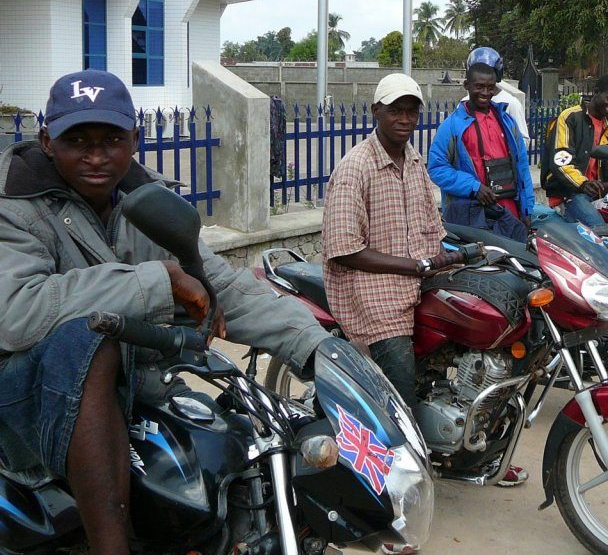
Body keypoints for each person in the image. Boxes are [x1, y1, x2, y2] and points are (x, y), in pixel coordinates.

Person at [0, 70, 329, 554]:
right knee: (91, 341)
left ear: (135, 138)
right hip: (27, 405)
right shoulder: (16, 206)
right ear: (47, 140)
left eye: (111, 139)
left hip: (137, 391)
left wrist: (319, 348)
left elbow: (221, 287)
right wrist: (160, 281)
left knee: (234, 446)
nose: (96, 155)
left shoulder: (149, 202)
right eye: (78, 140)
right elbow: (16, 310)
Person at [322, 73, 530, 499]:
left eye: (411, 110)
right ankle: (395, 494)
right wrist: (413, 264)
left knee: (489, 337)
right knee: (399, 397)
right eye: (394, 110)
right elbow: (343, 249)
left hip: (422, 280)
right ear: (375, 112)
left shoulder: (414, 162)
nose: (404, 118)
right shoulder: (355, 167)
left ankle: (477, 454)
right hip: (373, 291)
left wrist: (458, 254)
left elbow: (431, 225)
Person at [428, 62, 533, 241]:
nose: (485, 93)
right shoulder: (452, 126)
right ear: (467, 86)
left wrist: (527, 209)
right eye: (479, 87)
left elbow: (522, 166)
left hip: (509, 213)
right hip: (472, 217)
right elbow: (437, 168)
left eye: (490, 88)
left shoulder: (507, 122)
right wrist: (474, 187)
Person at [541, 75, 608, 228]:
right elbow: (561, 161)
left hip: (598, 194)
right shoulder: (570, 118)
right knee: (601, 231)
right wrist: (583, 184)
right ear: (596, 92)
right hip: (569, 194)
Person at [463, 47, 530, 142]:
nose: (483, 76)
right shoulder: (464, 103)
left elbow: (523, 139)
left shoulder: (511, 103)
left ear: (497, 75)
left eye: (488, 72)